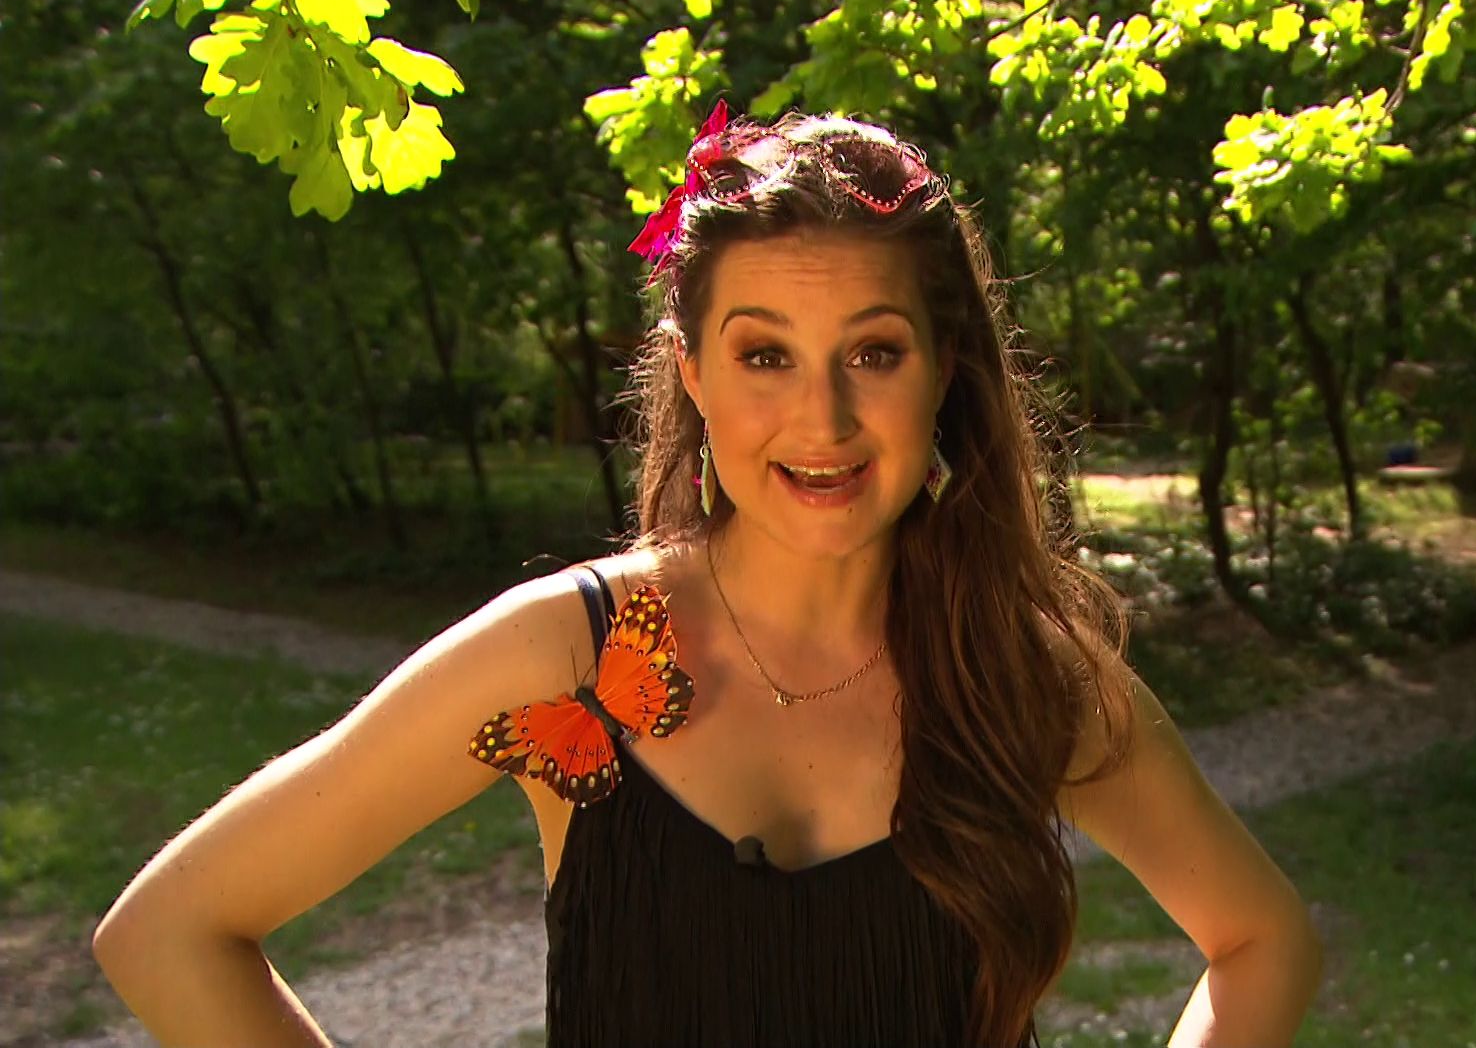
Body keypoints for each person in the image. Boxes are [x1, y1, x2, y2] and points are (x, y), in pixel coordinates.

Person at [91, 104, 1322, 1047]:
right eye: (765, 356)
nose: (822, 419)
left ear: (944, 369)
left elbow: (1264, 941)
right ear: (692, 373)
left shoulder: (1024, 674)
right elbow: (170, 933)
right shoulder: (564, 653)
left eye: (874, 353)